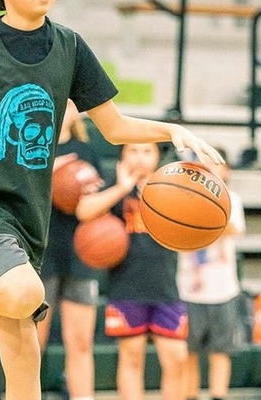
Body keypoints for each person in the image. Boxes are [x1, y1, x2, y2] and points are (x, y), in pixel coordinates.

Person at [0, 1, 224, 399]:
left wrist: (171, 131)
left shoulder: (71, 47)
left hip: (27, 213)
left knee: (25, 357)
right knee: (24, 294)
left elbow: (114, 127)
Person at [76, 142, 188, 400]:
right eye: (133, 151)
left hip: (166, 287)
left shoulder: (170, 188)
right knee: (131, 358)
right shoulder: (115, 186)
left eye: (147, 151)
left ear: (158, 156)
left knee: (177, 359)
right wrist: (122, 188)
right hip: (126, 287)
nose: (140, 157)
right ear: (122, 156)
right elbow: (83, 210)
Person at [37, 99, 104, 400]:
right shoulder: (33, 149)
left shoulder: (87, 152)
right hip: (41, 253)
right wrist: (51, 173)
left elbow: (99, 205)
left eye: (72, 102)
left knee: (80, 343)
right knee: (32, 344)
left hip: (80, 254)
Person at [176, 147, 246, 400]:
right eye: (205, 164)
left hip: (223, 289)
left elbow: (233, 228)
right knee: (188, 352)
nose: (211, 169)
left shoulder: (231, 199)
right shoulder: (182, 198)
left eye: (216, 164)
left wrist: (204, 217)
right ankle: (189, 395)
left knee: (221, 351)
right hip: (189, 288)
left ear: (227, 171)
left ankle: (218, 394)